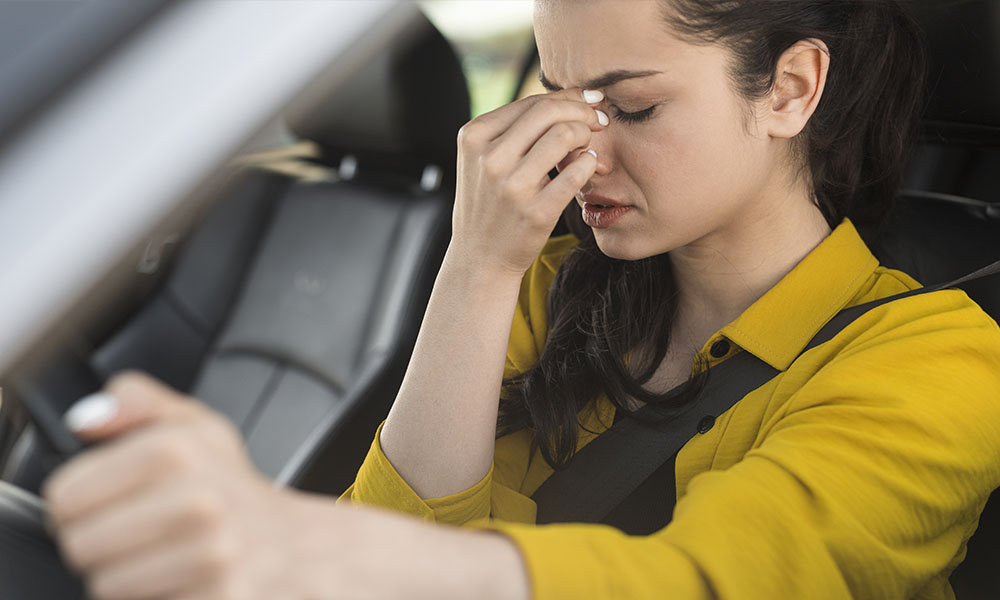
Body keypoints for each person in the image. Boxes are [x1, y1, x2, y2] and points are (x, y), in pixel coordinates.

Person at [41, 1, 1000, 598]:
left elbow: (710, 583)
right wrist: (478, 263)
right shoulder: (551, 287)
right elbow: (408, 541)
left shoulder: (941, 361)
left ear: (790, 90)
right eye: (561, 102)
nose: (581, 150)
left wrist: (299, 545)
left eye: (631, 108)